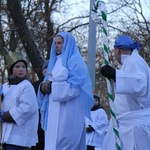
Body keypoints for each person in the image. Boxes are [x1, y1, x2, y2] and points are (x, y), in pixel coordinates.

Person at [37, 31, 94, 150]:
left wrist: (53, 87)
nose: (56, 45)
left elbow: (76, 86)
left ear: (68, 44)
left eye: (60, 43)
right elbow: (48, 80)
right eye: (55, 43)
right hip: (53, 109)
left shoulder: (75, 61)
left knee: (66, 143)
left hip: (69, 110)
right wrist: (43, 87)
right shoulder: (54, 61)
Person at [101, 35, 150, 150]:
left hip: (135, 126)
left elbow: (140, 84)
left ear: (118, 50)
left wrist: (115, 75)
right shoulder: (131, 63)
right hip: (128, 125)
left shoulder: (134, 61)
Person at [0, 54, 39, 150]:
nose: (21, 69)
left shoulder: (26, 86)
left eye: (23, 67)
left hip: (20, 137)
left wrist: (6, 116)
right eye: (17, 67)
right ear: (11, 69)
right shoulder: (5, 86)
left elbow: (28, 107)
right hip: (5, 136)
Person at [31, 60, 49, 150]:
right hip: (37, 120)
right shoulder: (34, 85)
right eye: (45, 67)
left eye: (49, 67)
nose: (47, 69)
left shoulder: (58, 86)